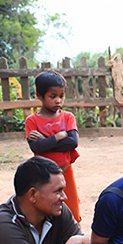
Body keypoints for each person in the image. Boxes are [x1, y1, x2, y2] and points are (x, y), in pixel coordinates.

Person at [25, 71, 82, 222]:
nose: (58, 100)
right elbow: (35, 148)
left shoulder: (68, 117)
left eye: (61, 96)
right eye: (53, 96)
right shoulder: (32, 121)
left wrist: (46, 141)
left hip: (66, 172)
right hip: (43, 177)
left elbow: (73, 142)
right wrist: (57, 137)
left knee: (72, 211)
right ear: (39, 96)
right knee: (45, 212)